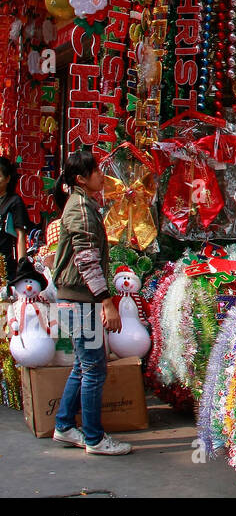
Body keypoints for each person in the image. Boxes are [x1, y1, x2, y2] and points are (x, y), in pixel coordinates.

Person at [49, 147, 132, 456]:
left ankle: (64, 426)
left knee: (84, 367)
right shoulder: (80, 209)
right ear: (82, 179)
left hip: (76, 299)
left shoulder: (83, 204)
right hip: (80, 301)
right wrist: (106, 303)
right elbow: (87, 262)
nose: (101, 175)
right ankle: (95, 439)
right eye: (96, 171)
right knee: (94, 369)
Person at [0, 156, 31, 291]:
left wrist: (22, 266)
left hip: (6, 266)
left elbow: (20, 235)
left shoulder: (14, 201)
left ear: (7, 179)